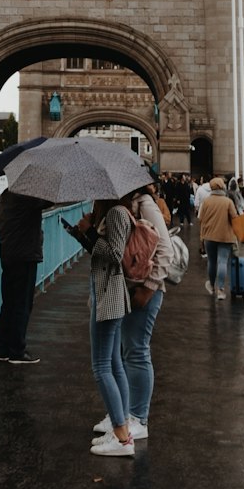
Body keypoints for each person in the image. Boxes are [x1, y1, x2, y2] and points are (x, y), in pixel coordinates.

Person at [102, 181, 172, 441]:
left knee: (137, 351)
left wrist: (150, 287)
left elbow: (166, 249)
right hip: (125, 289)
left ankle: (139, 418)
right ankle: (120, 414)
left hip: (144, 291)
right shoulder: (118, 206)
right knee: (122, 352)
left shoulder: (144, 204)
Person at [79, 197, 136, 458]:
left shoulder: (115, 213)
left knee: (101, 366)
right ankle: (121, 429)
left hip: (109, 293)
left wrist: (90, 231)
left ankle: (122, 437)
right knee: (114, 364)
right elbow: (101, 251)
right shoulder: (117, 212)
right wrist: (84, 234)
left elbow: (114, 254)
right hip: (110, 292)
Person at [0, 188, 50, 365]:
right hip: (25, 255)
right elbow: (49, 200)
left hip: (8, 254)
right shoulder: (26, 196)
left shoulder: (5, 196)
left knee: (9, 303)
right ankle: (17, 351)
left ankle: (3, 349)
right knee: (22, 303)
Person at [198, 176, 237, 300]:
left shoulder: (206, 202)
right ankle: (221, 289)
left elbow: (200, 219)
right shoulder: (228, 202)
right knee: (222, 261)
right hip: (225, 236)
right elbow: (234, 218)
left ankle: (212, 285)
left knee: (212, 261)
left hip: (209, 235)